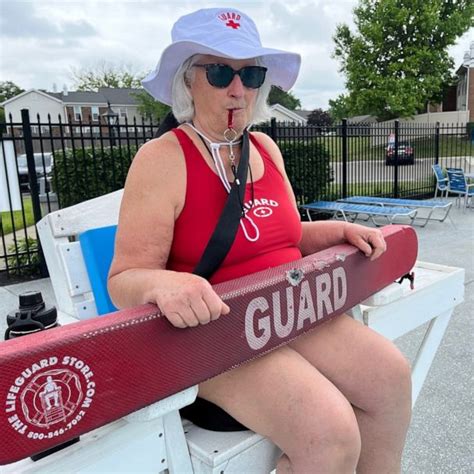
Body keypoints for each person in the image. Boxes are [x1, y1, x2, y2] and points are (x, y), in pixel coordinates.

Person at [108, 7, 411, 473]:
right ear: (187, 81)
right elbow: (125, 277)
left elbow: (278, 238)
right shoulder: (161, 160)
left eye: (250, 73)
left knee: (392, 379)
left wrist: (334, 231)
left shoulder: (265, 147)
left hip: (289, 309)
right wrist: (161, 285)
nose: (238, 89)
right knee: (330, 434)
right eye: (219, 72)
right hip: (217, 333)